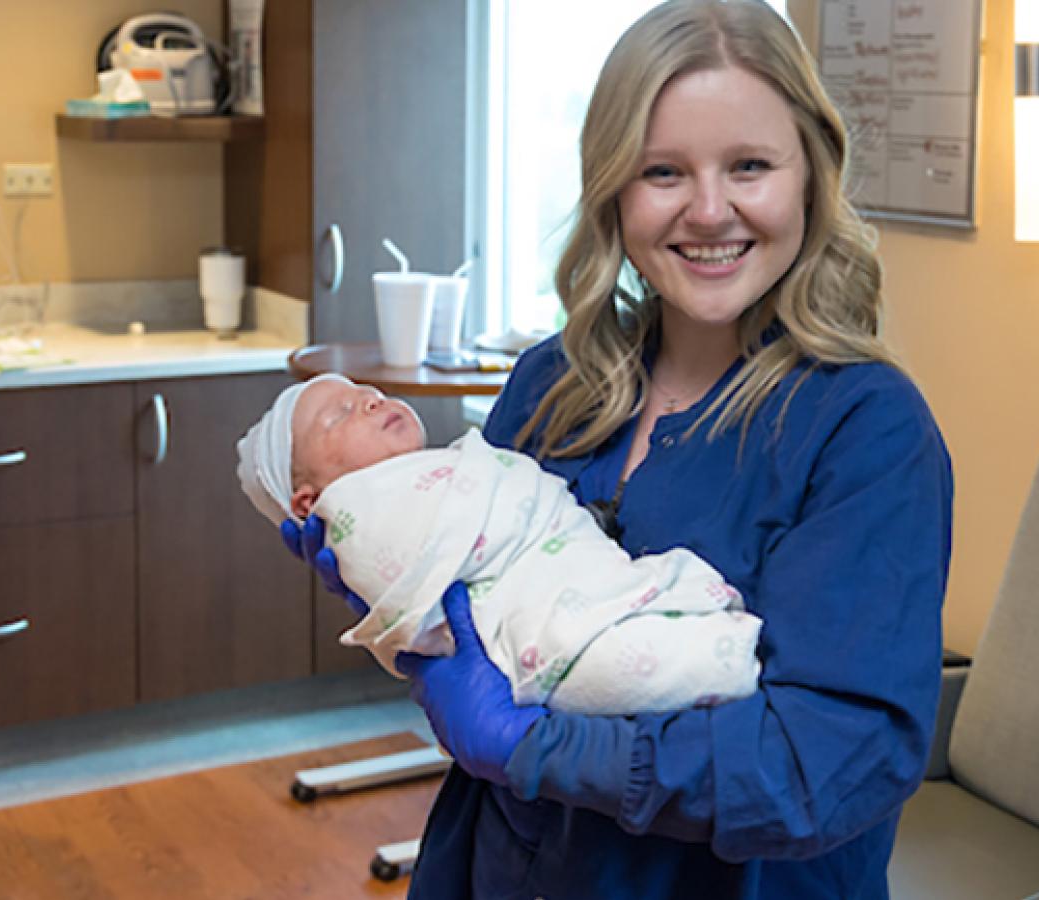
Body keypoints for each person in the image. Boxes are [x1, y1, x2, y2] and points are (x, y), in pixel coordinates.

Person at [284, 0, 953, 895]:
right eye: (664, 171)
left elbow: (827, 763)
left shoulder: (864, 431)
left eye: (749, 166)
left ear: (809, 178)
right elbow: (484, 623)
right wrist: (397, 570)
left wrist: (540, 745)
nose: (710, 211)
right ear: (613, 189)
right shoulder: (551, 386)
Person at [235, 373, 763, 715]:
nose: (370, 402)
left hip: (582, 577)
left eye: (364, 394)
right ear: (309, 503)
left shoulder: (453, 464)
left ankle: (702, 622)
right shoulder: (368, 516)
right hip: (547, 637)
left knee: (664, 586)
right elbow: (428, 596)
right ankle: (732, 660)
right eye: (339, 415)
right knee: (617, 663)